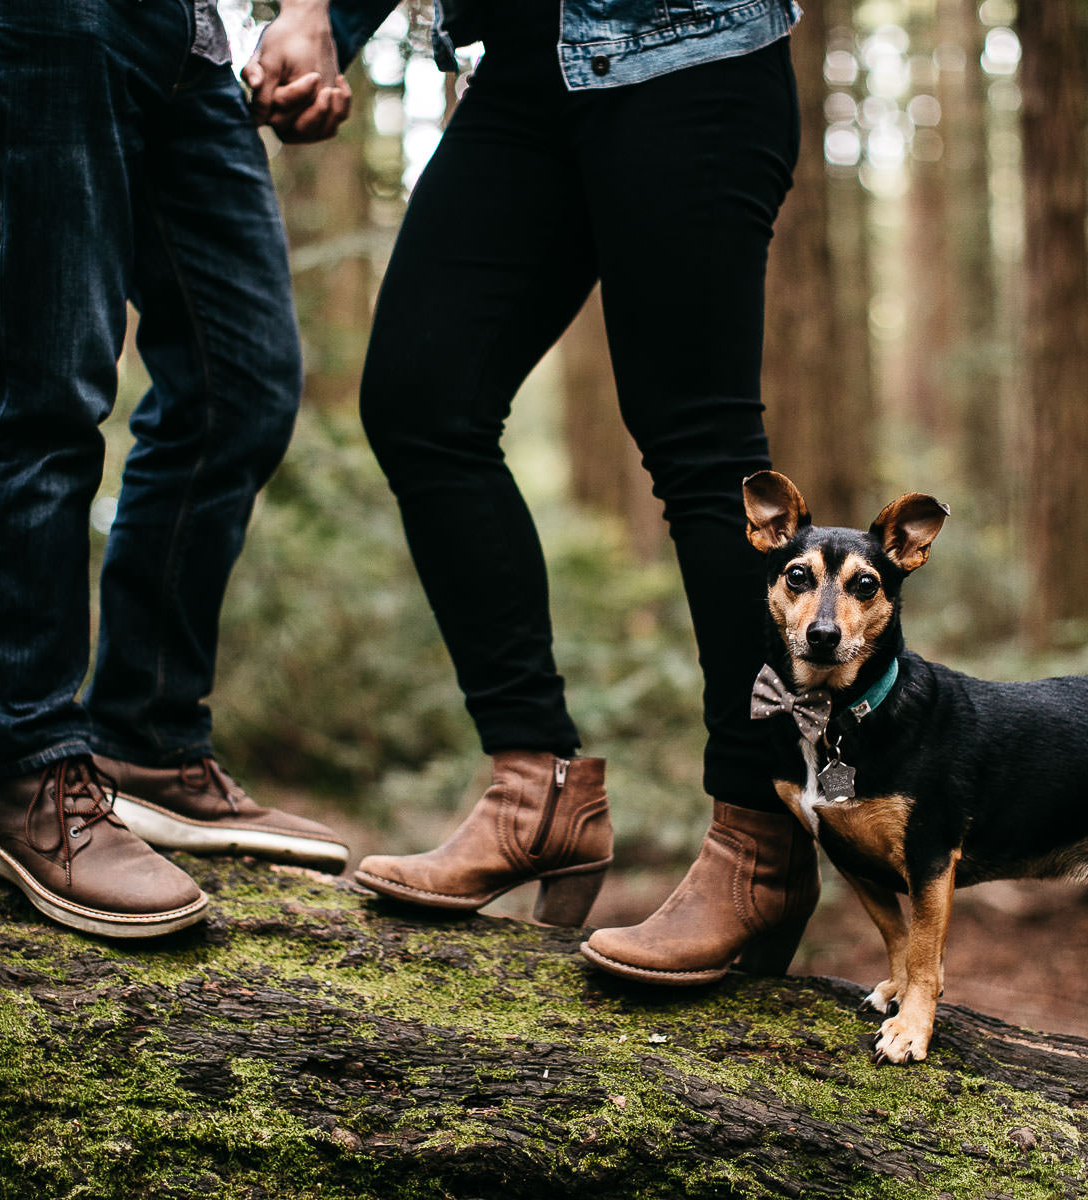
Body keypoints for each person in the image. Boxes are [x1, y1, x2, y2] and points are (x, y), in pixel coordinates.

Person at [349, 0, 822, 984]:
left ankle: (759, 840)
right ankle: (536, 788)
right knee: (419, 400)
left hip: (688, 46)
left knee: (701, 448)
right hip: (521, 64)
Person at [0, 0, 355, 938]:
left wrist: (314, 16)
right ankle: (16, 764)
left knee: (243, 387)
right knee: (47, 376)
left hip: (198, 37)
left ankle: (146, 742)